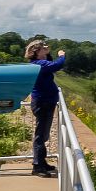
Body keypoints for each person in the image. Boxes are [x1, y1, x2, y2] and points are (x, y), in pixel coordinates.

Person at [25, 40, 65, 178]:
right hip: (43, 103)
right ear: (36, 52)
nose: (45, 50)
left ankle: (42, 162)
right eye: (42, 49)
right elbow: (55, 65)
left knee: (43, 135)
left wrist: (47, 52)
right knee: (40, 136)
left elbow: (49, 63)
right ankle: (37, 166)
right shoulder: (38, 65)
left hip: (45, 102)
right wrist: (62, 56)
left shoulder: (39, 63)